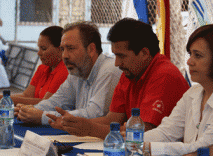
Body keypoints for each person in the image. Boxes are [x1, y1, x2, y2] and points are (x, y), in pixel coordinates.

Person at [47, 18, 189, 139]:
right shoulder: (130, 72)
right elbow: (112, 120)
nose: (116, 63)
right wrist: (74, 124)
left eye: (121, 56)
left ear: (145, 53)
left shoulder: (164, 75)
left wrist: (89, 128)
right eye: (115, 55)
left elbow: (141, 133)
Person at [143, 24, 213, 156]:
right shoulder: (194, 92)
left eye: (197, 55)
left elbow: (205, 148)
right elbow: (167, 132)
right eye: (190, 54)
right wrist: (133, 140)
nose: (189, 62)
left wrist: (145, 148)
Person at [15, 21, 122, 125]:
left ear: (91, 49)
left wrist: (42, 116)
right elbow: (56, 101)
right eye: (62, 49)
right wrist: (30, 111)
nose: (65, 56)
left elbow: (94, 114)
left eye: (70, 48)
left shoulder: (109, 71)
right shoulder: (76, 71)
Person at [0, 26, 68, 107]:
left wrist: (5, 99)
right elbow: (27, 95)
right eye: (39, 48)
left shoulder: (64, 71)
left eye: (43, 49)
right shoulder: (42, 68)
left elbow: (46, 104)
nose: (39, 53)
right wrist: (0, 98)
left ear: (60, 50)